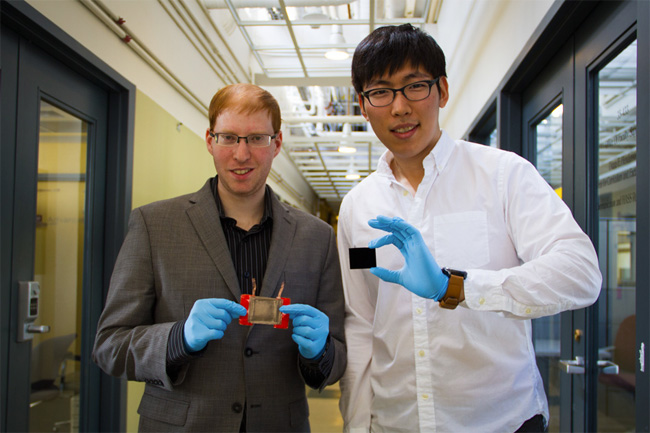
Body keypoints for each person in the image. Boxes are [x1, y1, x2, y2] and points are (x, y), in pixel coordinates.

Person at [337, 24, 601, 433]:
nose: (400, 107)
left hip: (500, 421)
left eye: (415, 87)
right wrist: (356, 425)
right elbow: (361, 324)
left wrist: (454, 287)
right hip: (395, 422)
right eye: (381, 92)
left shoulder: (502, 175)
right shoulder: (357, 207)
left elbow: (580, 273)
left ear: (442, 90)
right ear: (363, 104)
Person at [93, 83, 346, 432]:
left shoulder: (317, 237)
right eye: (229, 137)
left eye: (257, 138)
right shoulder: (154, 225)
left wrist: (321, 352)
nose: (241, 154)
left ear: (277, 143)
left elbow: (336, 361)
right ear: (210, 140)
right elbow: (109, 346)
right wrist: (177, 338)